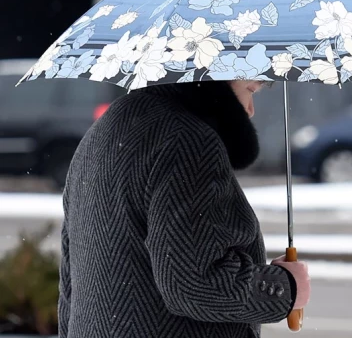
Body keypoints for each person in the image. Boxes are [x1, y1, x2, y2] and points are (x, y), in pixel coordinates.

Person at [57, 80, 311, 338]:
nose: (250, 109)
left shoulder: (102, 132)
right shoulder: (186, 140)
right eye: (250, 90)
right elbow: (193, 282)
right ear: (218, 74)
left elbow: (71, 285)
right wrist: (284, 287)